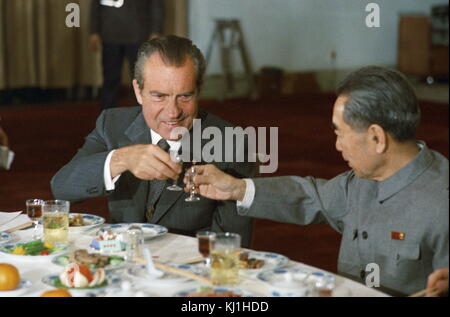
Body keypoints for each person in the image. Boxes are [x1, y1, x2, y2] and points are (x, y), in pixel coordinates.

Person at [186, 66, 449, 296]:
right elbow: (311, 196)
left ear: (376, 138)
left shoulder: (441, 202)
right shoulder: (363, 181)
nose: (337, 145)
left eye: (340, 133)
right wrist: (237, 188)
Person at [51, 35, 256, 247]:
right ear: (138, 92)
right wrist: (120, 159)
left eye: (185, 97)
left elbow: (231, 247)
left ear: (199, 90)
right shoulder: (113, 124)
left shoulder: (230, 142)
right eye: (160, 96)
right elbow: (62, 188)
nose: (173, 112)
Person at [90, 0, 164, 109]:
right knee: (110, 79)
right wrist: (94, 31)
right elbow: (95, 6)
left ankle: (142, 116)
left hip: (138, 35)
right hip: (110, 35)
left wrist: (156, 31)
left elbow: (156, 4)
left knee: (140, 81)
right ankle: (108, 116)